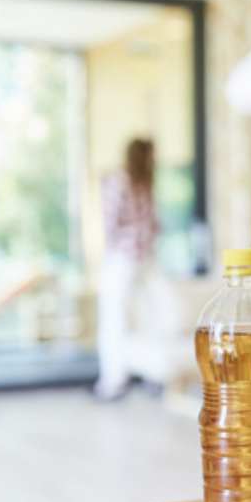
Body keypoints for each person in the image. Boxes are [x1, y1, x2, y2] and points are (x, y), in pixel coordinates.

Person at [94, 138, 159, 400]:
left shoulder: (130, 181)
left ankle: (115, 381)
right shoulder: (133, 182)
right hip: (137, 258)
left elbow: (111, 224)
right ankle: (127, 378)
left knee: (116, 319)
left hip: (126, 259)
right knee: (137, 317)